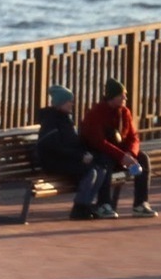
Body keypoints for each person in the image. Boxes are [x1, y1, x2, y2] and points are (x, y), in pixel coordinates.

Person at [79, 77, 158, 218]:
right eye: (122, 95)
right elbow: (99, 142)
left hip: (120, 155)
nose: (125, 98)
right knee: (105, 161)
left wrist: (131, 153)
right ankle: (104, 204)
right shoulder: (96, 113)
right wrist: (122, 157)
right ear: (112, 97)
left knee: (143, 158)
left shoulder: (125, 112)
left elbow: (133, 137)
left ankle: (141, 204)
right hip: (99, 153)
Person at [36, 84, 109, 220]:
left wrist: (87, 153)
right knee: (90, 171)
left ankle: (86, 205)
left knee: (101, 169)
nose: (72, 104)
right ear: (60, 103)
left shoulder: (66, 120)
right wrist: (80, 156)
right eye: (69, 101)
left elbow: (74, 143)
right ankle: (79, 208)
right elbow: (55, 148)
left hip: (67, 160)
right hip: (54, 162)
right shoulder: (50, 121)